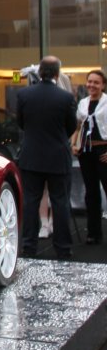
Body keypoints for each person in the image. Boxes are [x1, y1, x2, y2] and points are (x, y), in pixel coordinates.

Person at [16, 55, 78, 260]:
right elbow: (71, 126)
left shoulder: (24, 95)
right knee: (60, 202)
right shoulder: (65, 98)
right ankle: (63, 247)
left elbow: (21, 123)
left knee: (31, 202)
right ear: (58, 73)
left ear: (40, 72)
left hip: (32, 156)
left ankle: (28, 246)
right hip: (58, 156)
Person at [74, 69, 107, 245]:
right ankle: (94, 233)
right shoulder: (83, 103)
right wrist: (74, 144)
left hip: (104, 151)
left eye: (96, 82)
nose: (92, 85)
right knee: (91, 193)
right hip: (86, 152)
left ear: (103, 85)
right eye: (90, 81)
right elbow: (79, 126)